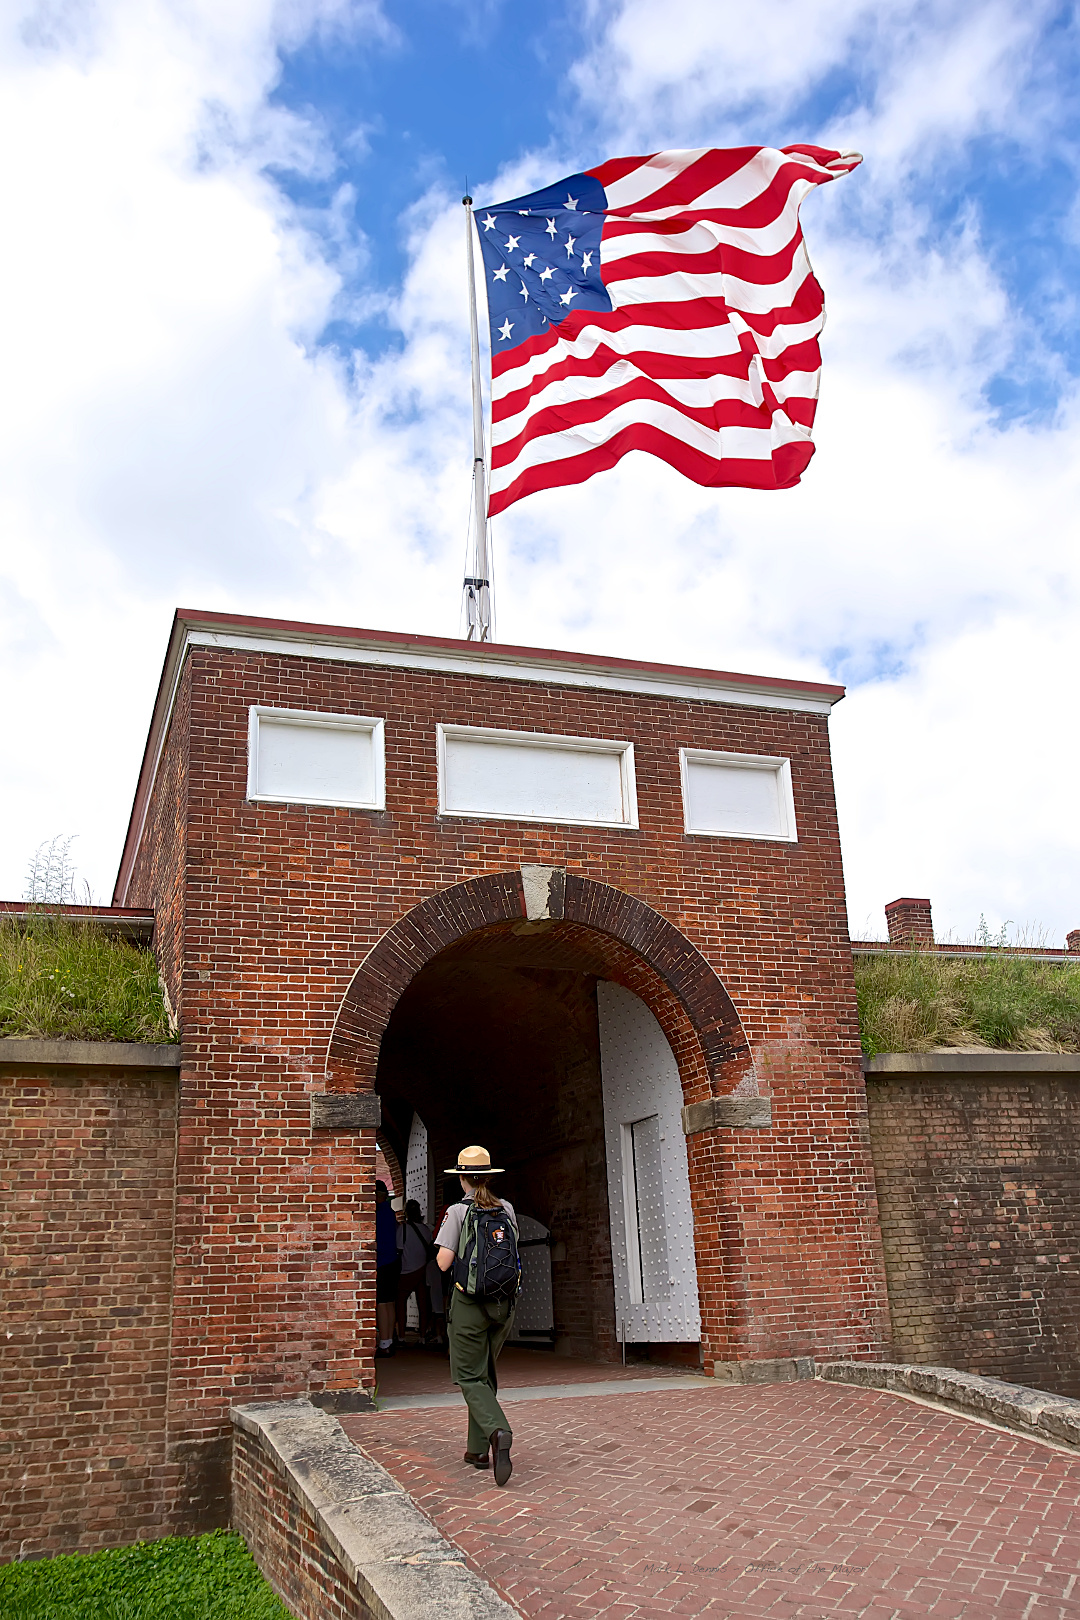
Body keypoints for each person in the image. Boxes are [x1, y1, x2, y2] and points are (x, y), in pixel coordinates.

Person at [435, 1144, 518, 1486]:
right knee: (485, 1373)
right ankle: (477, 1450)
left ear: (462, 1179)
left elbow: (442, 1262)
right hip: (503, 1303)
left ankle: (498, 1432)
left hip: (469, 1303)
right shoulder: (507, 1208)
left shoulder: (457, 1211)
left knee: (469, 1376)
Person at [396, 1198, 433, 1341]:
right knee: (423, 1304)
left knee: (400, 1303)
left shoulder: (403, 1228)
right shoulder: (425, 1229)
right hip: (422, 1270)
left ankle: (401, 1336)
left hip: (406, 1270)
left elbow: (399, 1249)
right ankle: (423, 1336)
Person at [374, 1181, 401, 1358]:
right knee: (390, 1302)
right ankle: (389, 1339)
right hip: (393, 1261)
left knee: (382, 1303)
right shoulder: (390, 1213)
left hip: (382, 1261)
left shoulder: (377, 1213)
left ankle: (384, 1343)